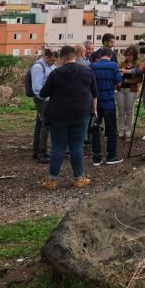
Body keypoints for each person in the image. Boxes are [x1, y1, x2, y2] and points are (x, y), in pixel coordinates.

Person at [39, 44, 97, 189]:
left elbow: (43, 94)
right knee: (77, 146)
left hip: (58, 114)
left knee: (58, 147)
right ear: (75, 57)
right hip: (81, 113)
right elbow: (94, 93)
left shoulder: (56, 73)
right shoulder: (87, 71)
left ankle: (52, 180)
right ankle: (79, 178)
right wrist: (94, 110)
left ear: (62, 58)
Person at [90, 50, 123, 166]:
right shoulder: (114, 66)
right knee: (111, 130)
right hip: (109, 103)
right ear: (110, 56)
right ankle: (111, 156)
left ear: (99, 56)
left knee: (95, 129)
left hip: (95, 103)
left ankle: (97, 157)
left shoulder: (92, 66)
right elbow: (119, 83)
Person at [29, 48, 56, 163]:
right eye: (52, 60)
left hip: (48, 99)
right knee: (46, 125)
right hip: (43, 100)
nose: (54, 62)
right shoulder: (38, 67)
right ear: (47, 57)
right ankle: (42, 153)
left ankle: (37, 151)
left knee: (40, 125)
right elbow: (37, 88)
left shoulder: (50, 66)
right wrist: (45, 98)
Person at [116, 45, 142, 140]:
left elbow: (139, 78)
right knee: (121, 110)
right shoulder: (121, 64)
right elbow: (117, 75)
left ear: (134, 55)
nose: (128, 57)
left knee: (129, 111)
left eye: (130, 55)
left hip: (131, 90)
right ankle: (121, 130)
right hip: (120, 90)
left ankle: (128, 131)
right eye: (127, 55)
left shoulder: (138, 65)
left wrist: (127, 81)